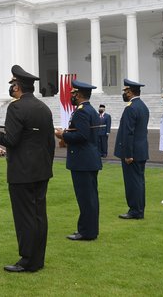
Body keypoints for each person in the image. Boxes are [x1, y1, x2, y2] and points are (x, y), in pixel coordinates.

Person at [0, 65, 55, 273]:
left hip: (22, 172)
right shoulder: (44, 108)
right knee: (39, 215)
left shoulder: (16, 108)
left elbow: (11, 140)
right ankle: (37, 259)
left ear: (17, 86)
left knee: (25, 218)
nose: (11, 87)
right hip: (41, 170)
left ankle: (27, 260)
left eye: (12, 84)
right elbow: (49, 142)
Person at [55, 80, 102, 241]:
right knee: (90, 198)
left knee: (86, 198)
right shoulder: (90, 110)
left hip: (83, 160)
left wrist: (63, 135)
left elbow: (82, 136)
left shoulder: (82, 111)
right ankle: (89, 229)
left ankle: (87, 232)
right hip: (88, 159)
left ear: (79, 94)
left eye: (73, 94)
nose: (71, 96)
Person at [114, 79, 150, 220]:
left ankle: (135, 210)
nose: (124, 94)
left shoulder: (130, 108)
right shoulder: (143, 106)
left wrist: (128, 154)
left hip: (132, 153)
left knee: (132, 183)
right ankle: (139, 209)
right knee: (139, 181)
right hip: (141, 150)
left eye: (125, 92)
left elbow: (128, 133)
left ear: (130, 92)